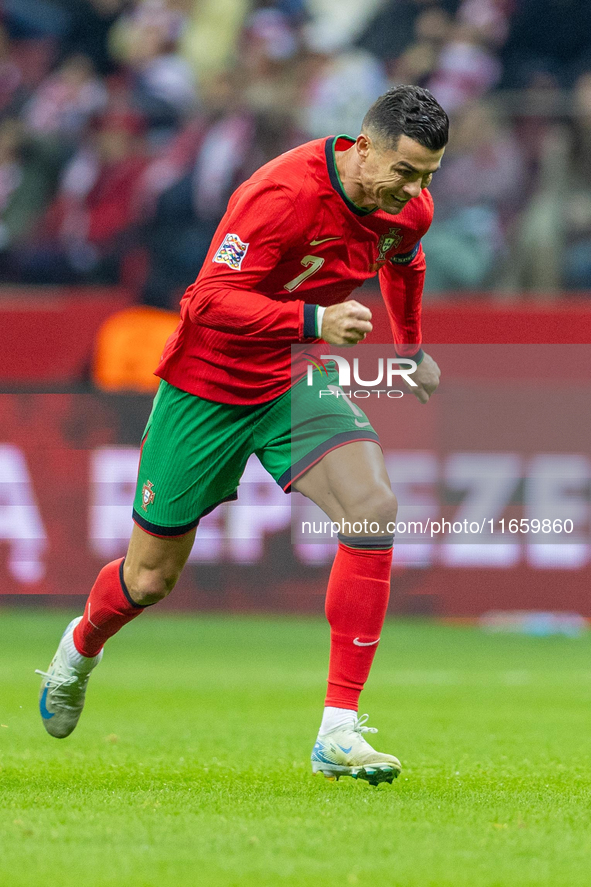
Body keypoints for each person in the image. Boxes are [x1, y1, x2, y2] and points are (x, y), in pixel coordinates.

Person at [36, 85, 447, 787]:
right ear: (363, 145)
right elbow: (207, 299)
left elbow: (405, 259)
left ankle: (337, 728)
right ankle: (79, 649)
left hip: (289, 379)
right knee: (148, 578)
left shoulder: (405, 207)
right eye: (403, 172)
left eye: (427, 177)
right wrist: (313, 323)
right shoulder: (283, 193)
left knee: (373, 509)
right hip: (206, 384)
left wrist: (407, 350)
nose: (412, 191)